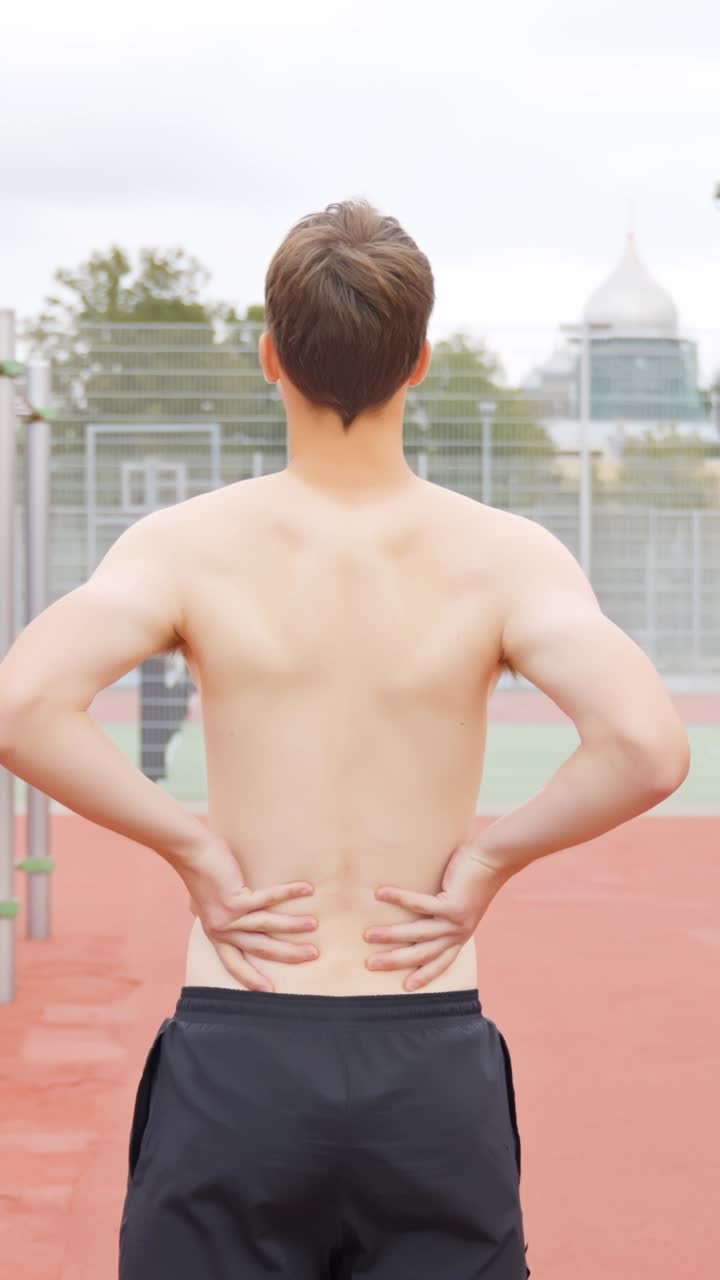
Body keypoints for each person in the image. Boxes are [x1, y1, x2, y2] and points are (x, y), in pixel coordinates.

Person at [0, 200, 690, 1279]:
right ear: (419, 361)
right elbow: (648, 746)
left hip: (241, 1037)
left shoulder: (189, 546)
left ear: (270, 355)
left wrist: (192, 850)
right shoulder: (505, 557)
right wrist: (490, 860)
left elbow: (21, 705)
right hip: (428, 1043)